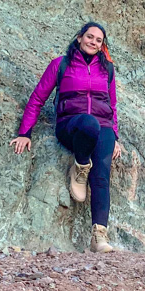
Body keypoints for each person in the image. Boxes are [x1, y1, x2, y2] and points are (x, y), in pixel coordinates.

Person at [10, 22, 122, 253]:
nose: (93, 42)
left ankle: (99, 237)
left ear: (102, 46)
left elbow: (112, 105)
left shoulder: (107, 70)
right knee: (89, 123)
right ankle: (80, 165)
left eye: (98, 40)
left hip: (103, 126)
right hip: (71, 125)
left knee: (102, 174)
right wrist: (25, 132)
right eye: (89, 37)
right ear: (80, 38)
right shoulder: (61, 64)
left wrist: (115, 136)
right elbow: (38, 98)